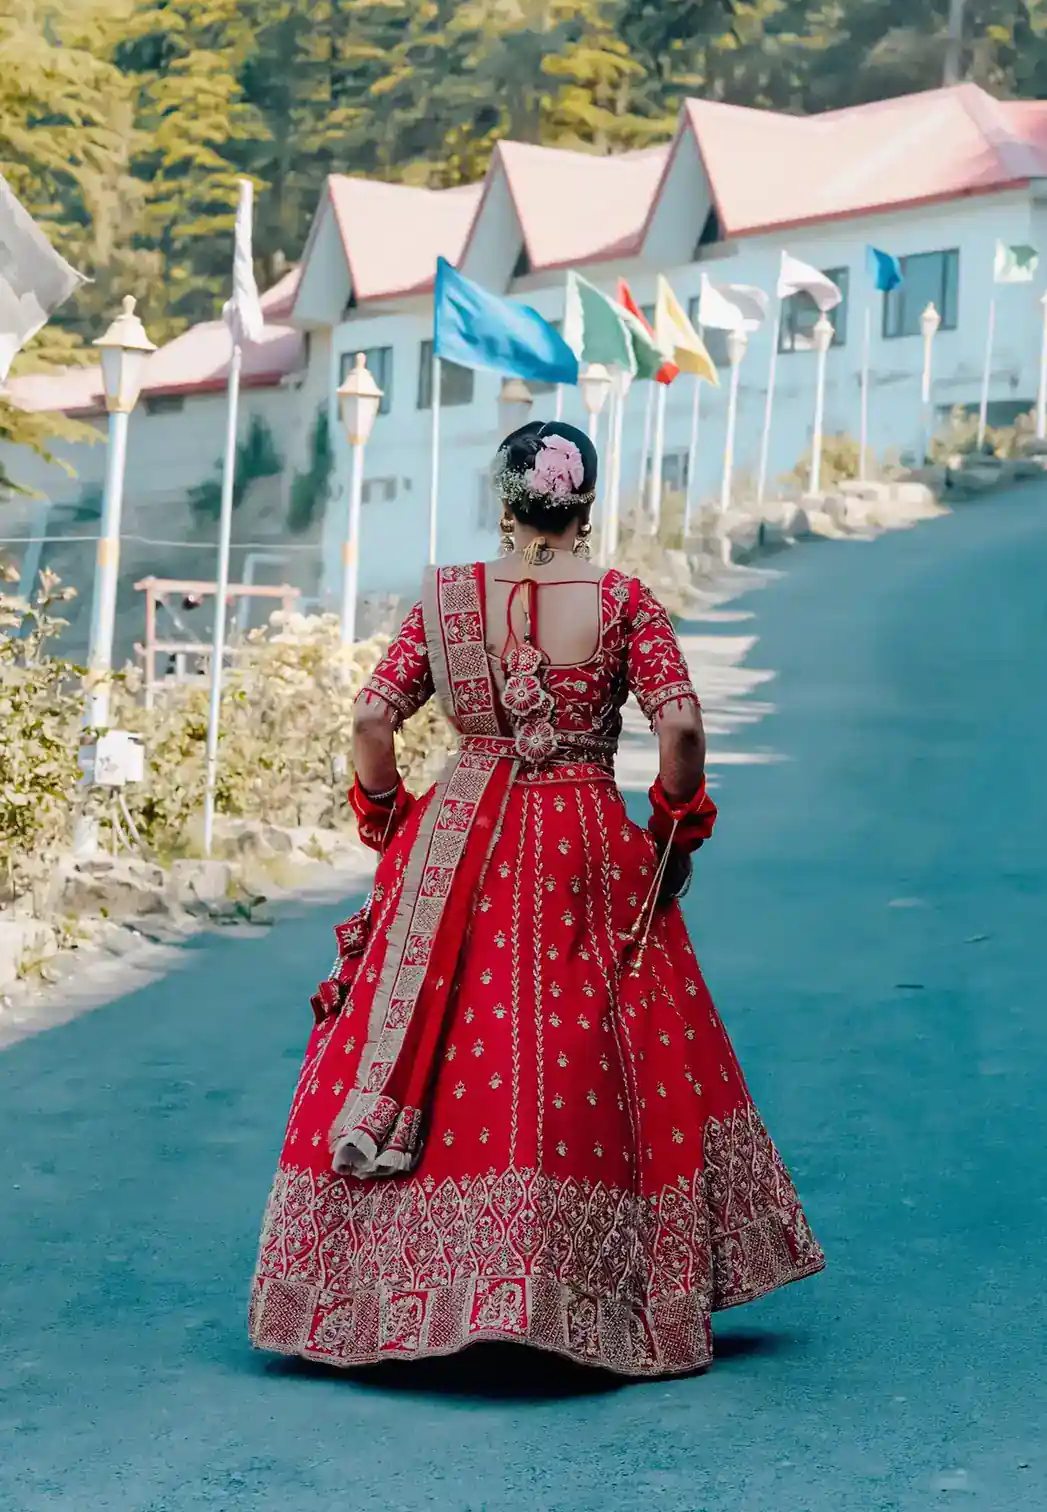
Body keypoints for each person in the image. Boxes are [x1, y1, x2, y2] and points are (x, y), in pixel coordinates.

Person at [249, 420, 823, 1379]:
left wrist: (390, 817)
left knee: (446, 1046)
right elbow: (679, 724)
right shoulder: (622, 600)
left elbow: (369, 717)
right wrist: (673, 831)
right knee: (592, 1043)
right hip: (584, 838)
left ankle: (392, 1292)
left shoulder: (444, 601)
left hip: (454, 838)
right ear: (586, 505)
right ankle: (575, 1291)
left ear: (502, 501)